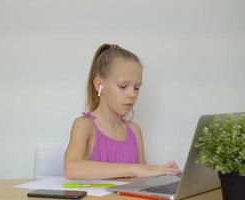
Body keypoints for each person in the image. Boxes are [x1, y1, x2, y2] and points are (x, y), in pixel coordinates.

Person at [64, 43, 180, 180]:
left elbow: (141, 176)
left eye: (136, 88)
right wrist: (133, 169)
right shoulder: (84, 125)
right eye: (123, 86)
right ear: (99, 85)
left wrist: (162, 172)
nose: (132, 94)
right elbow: (71, 169)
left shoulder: (134, 130)